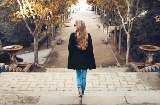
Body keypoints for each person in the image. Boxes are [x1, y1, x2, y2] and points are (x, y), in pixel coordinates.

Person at [68, 20, 96, 97]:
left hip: (76, 59)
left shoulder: (72, 36)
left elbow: (70, 48)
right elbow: (90, 49)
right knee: (84, 75)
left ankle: (79, 86)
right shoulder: (88, 36)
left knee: (78, 74)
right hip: (85, 59)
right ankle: (82, 91)